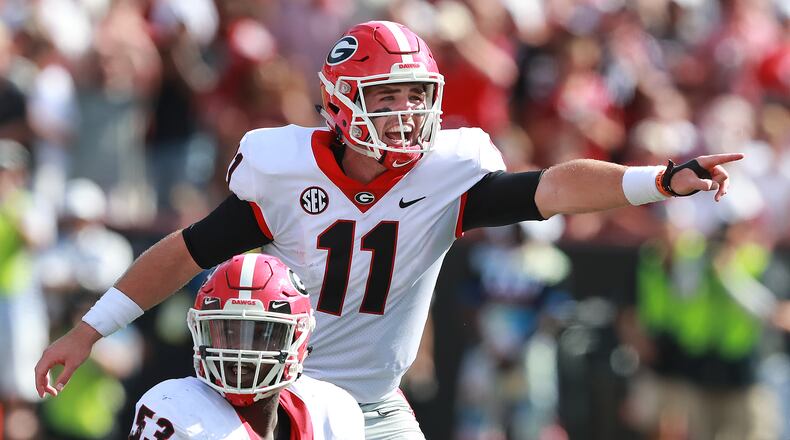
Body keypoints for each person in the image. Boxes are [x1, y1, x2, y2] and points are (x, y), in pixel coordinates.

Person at [36, 20, 743, 439]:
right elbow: (184, 251)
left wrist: (658, 179)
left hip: (371, 405)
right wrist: (90, 328)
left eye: (417, 95)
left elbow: (553, 188)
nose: (406, 112)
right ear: (341, 102)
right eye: (387, 95)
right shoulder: (284, 169)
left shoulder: (446, 170)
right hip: (267, 393)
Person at [128, 252, 364, 439]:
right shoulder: (174, 409)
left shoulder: (332, 412)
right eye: (228, 332)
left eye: (262, 334)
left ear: (297, 338)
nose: (241, 351)